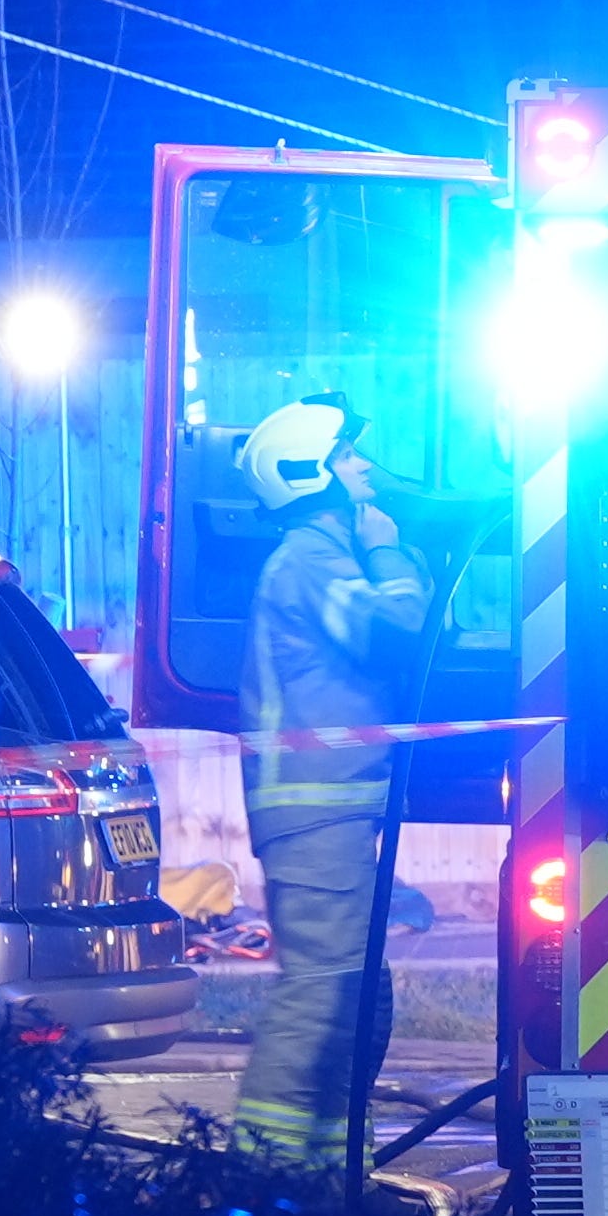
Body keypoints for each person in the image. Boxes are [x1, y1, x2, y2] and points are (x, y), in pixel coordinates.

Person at [227, 397, 427, 1162]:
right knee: (320, 999)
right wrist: (389, 550)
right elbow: (394, 628)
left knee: (355, 1000)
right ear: (313, 474)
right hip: (315, 815)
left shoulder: (319, 555)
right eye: (349, 456)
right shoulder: (311, 558)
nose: (364, 468)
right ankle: (261, 1185)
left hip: (330, 814)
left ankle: (330, 1183)